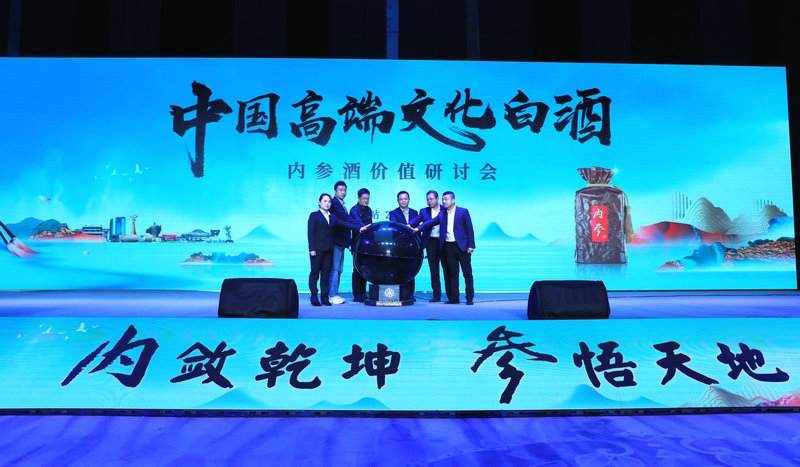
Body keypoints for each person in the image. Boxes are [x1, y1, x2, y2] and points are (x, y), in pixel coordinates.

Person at [416, 191, 475, 305]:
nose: (444, 201)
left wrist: (471, 245)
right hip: (448, 247)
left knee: (467, 273)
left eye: (446, 199)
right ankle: (454, 299)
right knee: (452, 274)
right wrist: (418, 228)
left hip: (462, 247)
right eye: (443, 199)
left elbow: (469, 229)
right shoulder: (442, 213)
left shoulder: (463, 211)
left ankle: (469, 298)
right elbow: (431, 222)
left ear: (453, 200)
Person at [328, 180, 364, 305]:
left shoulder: (341, 203)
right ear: (335, 191)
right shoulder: (334, 203)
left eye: (344, 190)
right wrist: (359, 226)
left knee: (338, 269)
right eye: (340, 190)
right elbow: (345, 218)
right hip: (335, 241)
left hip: (341, 242)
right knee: (335, 269)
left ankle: (334, 293)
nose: (343, 192)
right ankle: (332, 294)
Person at [410, 190, 444, 302]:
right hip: (431, 242)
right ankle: (436, 295)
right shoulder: (424, 211)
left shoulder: (445, 209)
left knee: (448, 268)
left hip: (444, 242)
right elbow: (416, 220)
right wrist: (408, 225)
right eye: (428, 199)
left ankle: (452, 295)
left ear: (437, 198)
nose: (429, 201)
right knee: (434, 270)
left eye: (431, 199)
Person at [389, 190, 419, 301]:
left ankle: (410, 294)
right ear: (398, 200)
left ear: (409, 200)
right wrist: (407, 227)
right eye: (401, 199)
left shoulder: (415, 213)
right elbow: (395, 227)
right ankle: (398, 294)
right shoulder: (393, 213)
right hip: (398, 246)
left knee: (411, 270)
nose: (403, 201)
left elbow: (417, 230)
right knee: (398, 270)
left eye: (405, 199)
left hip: (411, 247)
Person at [307, 194, 336, 307]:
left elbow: (344, 224)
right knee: (315, 274)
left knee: (325, 275)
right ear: (319, 202)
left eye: (329, 201)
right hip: (317, 250)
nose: (327, 203)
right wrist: (312, 249)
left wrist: (359, 228)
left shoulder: (332, 217)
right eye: (325, 201)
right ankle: (314, 296)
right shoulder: (314, 215)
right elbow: (310, 233)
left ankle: (324, 298)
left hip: (329, 250)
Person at [349, 188, 373, 302]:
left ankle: (363, 293)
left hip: (367, 245)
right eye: (364, 198)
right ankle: (357, 294)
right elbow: (359, 223)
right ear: (359, 198)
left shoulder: (369, 210)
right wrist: (365, 228)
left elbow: (371, 225)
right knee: (356, 269)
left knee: (365, 268)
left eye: (367, 198)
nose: (366, 200)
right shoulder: (353, 210)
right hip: (357, 243)